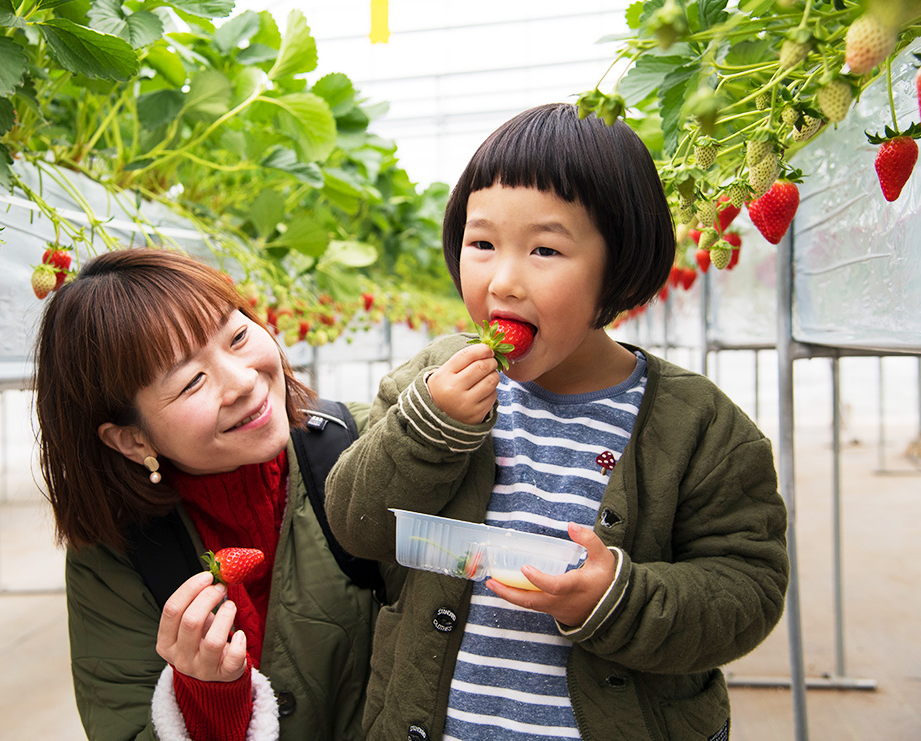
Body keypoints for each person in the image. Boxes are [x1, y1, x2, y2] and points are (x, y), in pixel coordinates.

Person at [325, 103, 790, 741]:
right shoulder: (426, 386)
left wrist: (618, 599)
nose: (504, 281)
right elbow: (358, 525)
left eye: (546, 249)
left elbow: (749, 589)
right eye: (482, 243)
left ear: (618, 265)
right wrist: (427, 430)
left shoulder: (700, 427)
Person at [33, 248, 396, 741]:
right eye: (191, 382)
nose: (244, 381)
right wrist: (207, 700)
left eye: (239, 336)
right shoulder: (117, 553)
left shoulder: (373, 447)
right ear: (133, 439)